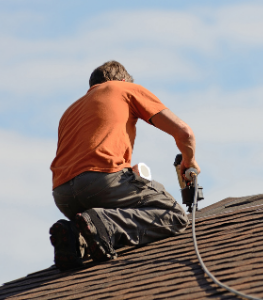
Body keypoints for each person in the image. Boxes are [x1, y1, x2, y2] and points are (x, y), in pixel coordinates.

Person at [49, 60, 201, 271]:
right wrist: (189, 160)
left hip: (63, 195)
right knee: (173, 215)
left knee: (101, 225)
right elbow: (185, 133)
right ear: (122, 80)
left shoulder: (70, 111)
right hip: (102, 182)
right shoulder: (124, 89)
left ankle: (74, 238)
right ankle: (105, 223)